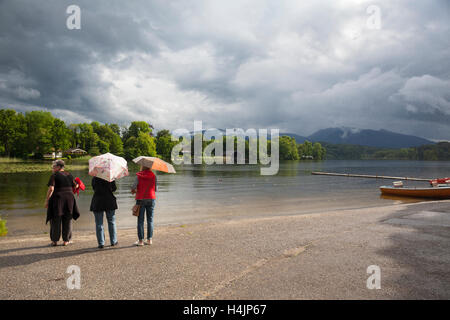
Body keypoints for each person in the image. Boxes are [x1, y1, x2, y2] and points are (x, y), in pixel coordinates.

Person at [45, 160, 80, 246]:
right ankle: (66, 240)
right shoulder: (69, 174)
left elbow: (51, 189)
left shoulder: (54, 175)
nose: (52, 168)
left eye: (54, 166)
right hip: (69, 199)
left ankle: (54, 241)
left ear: (59, 167)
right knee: (67, 219)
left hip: (58, 199)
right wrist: (79, 184)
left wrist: (47, 200)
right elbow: (75, 186)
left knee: (55, 219)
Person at [90, 177, 119, 249]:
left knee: (99, 223)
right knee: (111, 221)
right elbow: (114, 189)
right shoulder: (110, 177)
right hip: (109, 200)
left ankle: (101, 243)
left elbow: (94, 188)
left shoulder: (95, 178)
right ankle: (113, 241)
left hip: (97, 201)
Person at [131, 166, 157, 246]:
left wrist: (134, 191)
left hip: (141, 199)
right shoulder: (154, 176)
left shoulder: (139, 176)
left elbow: (133, 188)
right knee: (150, 220)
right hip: (151, 198)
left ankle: (141, 241)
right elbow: (155, 189)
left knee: (140, 220)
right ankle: (149, 239)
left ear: (142, 167)